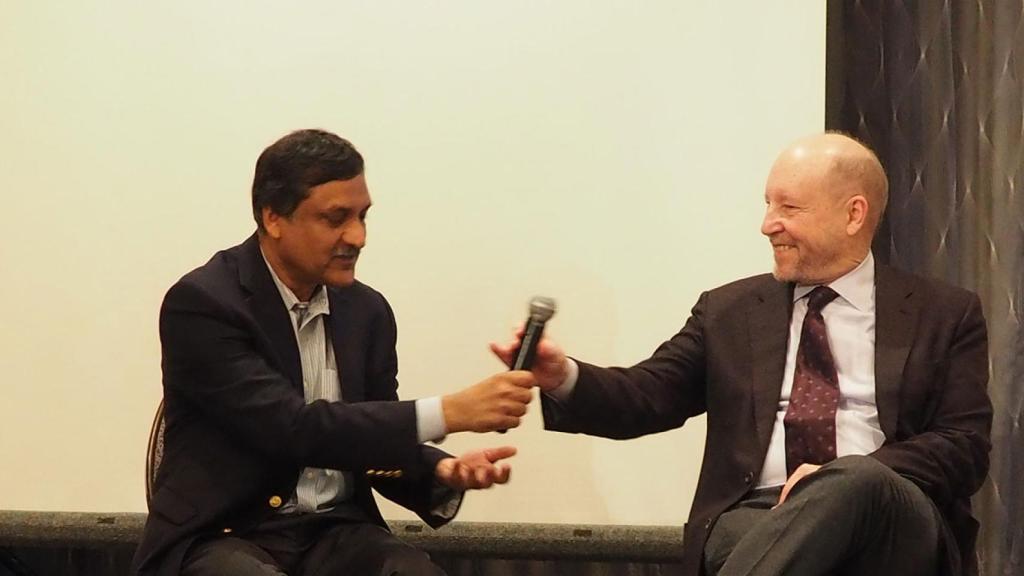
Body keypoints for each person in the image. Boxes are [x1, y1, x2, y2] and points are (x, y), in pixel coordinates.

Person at [492, 133, 992, 576]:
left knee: (855, 478)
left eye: (788, 208)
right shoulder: (729, 311)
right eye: (766, 205)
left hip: (892, 516)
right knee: (752, 539)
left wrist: (842, 477)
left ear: (853, 214)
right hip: (758, 513)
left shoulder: (943, 313)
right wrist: (562, 376)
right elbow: (645, 395)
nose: (767, 225)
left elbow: (963, 447)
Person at [132, 129, 537, 576]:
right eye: (336, 218)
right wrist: (449, 412)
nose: (358, 236)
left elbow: (364, 432)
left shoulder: (367, 311)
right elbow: (293, 428)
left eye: (363, 216)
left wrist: (442, 470)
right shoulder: (205, 303)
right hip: (222, 534)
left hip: (332, 533)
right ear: (273, 218)